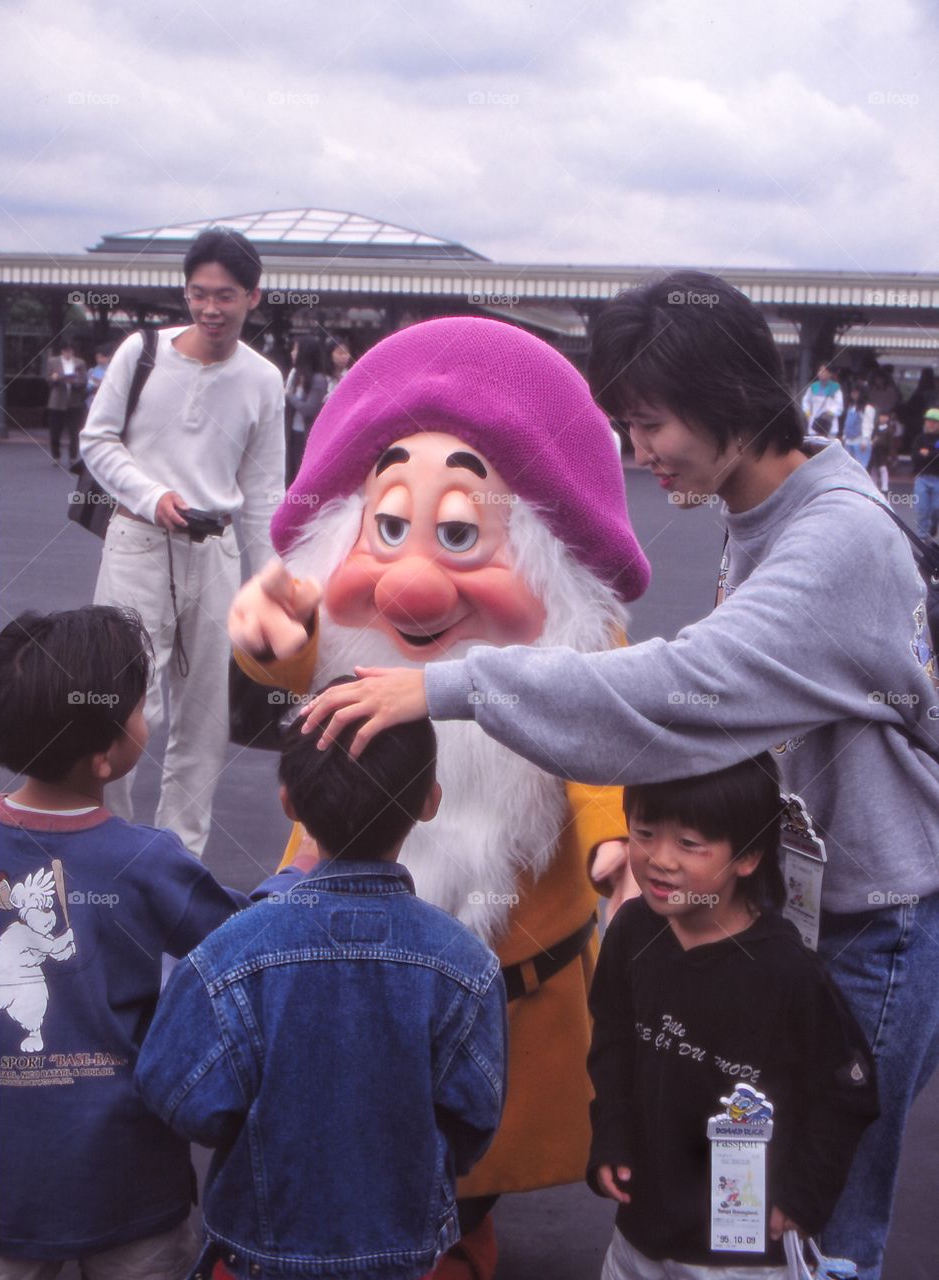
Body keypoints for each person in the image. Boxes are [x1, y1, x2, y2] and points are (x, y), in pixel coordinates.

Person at [304, 271, 939, 1280]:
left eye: (650, 424)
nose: (638, 453)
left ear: (728, 397)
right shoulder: (783, 499)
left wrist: (451, 686)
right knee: (749, 1200)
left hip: (872, 919)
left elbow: (685, 689)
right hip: (816, 901)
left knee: (820, 1218)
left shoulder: (836, 539)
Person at [227, 314, 649, 1280]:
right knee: (346, 1143)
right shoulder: (344, 640)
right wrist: (267, 639)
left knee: (462, 1168)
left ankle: (455, 1240)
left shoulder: (576, 657)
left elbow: (596, 750)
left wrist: (612, 847)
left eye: (460, 533)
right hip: (342, 962)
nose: (412, 586)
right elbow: (287, 676)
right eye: (388, 528)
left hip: (506, 982)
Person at [135, 685, 508, 1280]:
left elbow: (179, 1095)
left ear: (288, 801)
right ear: (430, 801)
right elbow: (473, 1121)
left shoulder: (229, 954)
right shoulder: (467, 966)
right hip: (407, 1251)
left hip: (255, 1253)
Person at [0, 606, 244, 1280]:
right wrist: (300, 874)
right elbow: (245, 945)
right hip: (129, 1179)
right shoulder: (148, 862)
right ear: (105, 756)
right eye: (140, 706)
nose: (149, 718)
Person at [588, 754, 878, 1279]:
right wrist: (610, 1132)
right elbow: (612, 1040)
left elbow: (849, 1088)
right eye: (645, 832)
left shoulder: (786, 971)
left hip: (740, 1258)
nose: (660, 859)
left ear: (747, 856)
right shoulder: (631, 931)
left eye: (689, 844)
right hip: (639, 1236)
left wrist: (805, 1196)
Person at [79, 227, 285, 856]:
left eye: (225, 295)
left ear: (253, 295)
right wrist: (150, 496)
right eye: (198, 294)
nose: (210, 309)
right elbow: (97, 441)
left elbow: (264, 493)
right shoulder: (139, 352)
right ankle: (109, 844)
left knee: (203, 718)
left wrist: (269, 584)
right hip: (138, 543)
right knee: (126, 703)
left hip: (216, 554)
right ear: (185, 291)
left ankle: (179, 857)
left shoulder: (263, 380)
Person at [283, 335, 327, 485]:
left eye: (296, 349)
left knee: (301, 477)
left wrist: (290, 396)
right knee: (290, 475)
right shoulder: (295, 375)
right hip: (292, 434)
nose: (292, 353)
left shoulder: (318, 380)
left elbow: (308, 409)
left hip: (307, 436)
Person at [45, 341, 87, 468]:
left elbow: (84, 380)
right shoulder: (53, 361)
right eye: (65, 351)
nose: (68, 353)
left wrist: (75, 381)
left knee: (74, 432)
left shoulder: (80, 363)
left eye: (70, 351)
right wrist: (54, 378)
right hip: (57, 401)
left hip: (74, 401)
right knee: (55, 431)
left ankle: (73, 457)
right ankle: (56, 456)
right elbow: (48, 379)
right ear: (62, 352)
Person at [910, 407, 939, 539]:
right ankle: (923, 537)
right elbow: (915, 456)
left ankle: (933, 524)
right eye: (928, 421)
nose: (931, 424)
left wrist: (928, 453)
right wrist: (930, 455)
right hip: (922, 478)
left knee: (936, 508)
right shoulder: (919, 439)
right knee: (922, 509)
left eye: (935, 421)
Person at [801, 363, 843, 437]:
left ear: (830, 373)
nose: (821, 373)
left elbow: (839, 406)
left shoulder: (836, 387)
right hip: (814, 426)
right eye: (820, 370)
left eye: (824, 371)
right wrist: (807, 413)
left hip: (829, 426)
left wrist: (829, 413)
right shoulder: (813, 386)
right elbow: (805, 401)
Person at [841, 386, 875, 471]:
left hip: (860, 441)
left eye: (856, 392)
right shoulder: (851, 407)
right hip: (849, 440)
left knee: (860, 467)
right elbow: (847, 423)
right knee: (848, 466)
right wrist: (844, 436)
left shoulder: (868, 408)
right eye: (853, 392)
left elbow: (868, 425)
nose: (853, 394)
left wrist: (865, 440)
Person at [868, 409, 897, 495]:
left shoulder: (889, 430)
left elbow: (891, 443)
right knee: (873, 469)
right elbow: (872, 438)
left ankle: (885, 487)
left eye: (885, 417)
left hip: (883, 452)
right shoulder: (875, 427)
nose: (883, 418)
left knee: (883, 469)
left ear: (887, 418)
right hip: (875, 451)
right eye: (881, 416)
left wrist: (891, 454)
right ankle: (874, 485)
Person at [324, 333, 353, 400]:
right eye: (340, 353)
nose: (344, 356)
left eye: (346, 353)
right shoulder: (324, 376)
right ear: (330, 354)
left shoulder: (351, 375)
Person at [84, 344, 113, 412]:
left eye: (102, 357)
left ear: (109, 357)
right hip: (93, 401)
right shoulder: (92, 371)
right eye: (97, 357)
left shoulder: (113, 370)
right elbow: (87, 388)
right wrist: (94, 385)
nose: (99, 359)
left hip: (108, 401)